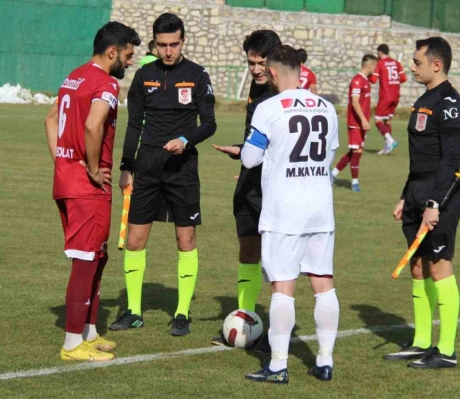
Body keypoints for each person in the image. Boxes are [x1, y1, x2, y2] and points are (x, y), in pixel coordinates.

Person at [109, 13, 217, 336]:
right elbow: (134, 126)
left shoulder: (197, 75)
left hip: (182, 169)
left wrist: (186, 140)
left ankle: (182, 312)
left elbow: (209, 123)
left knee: (186, 240)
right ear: (154, 43)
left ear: (182, 42)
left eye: (174, 44)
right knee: (135, 239)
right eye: (162, 45)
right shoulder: (143, 75)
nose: (168, 51)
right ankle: (134, 311)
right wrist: (126, 166)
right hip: (148, 166)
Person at [241, 45, 340, 384]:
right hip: (320, 205)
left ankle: (278, 365)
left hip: (285, 209)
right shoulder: (327, 107)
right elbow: (328, 155)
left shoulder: (267, 108)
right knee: (323, 283)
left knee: (283, 286)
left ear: (271, 73)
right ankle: (325, 361)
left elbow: (250, 159)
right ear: (300, 70)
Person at [44, 21, 141, 361]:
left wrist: (63, 160)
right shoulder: (106, 83)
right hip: (87, 187)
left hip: (67, 180)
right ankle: (72, 344)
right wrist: (89, 166)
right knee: (86, 260)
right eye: (128, 56)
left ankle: (89, 331)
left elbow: (51, 118)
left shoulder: (74, 75)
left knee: (98, 254)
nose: (130, 62)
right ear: (112, 52)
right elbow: (92, 124)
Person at [386, 37, 460, 369]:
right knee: (418, 268)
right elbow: (419, 158)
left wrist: (434, 202)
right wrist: (407, 195)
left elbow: (450, 159)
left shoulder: (450, 103)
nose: (411, 66)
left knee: (439, 266)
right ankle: (422, 341)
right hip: (418, 192)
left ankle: (446, 350)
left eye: (417, 62)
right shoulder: (425, 98)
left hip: (442, 194)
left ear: (437, 64)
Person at [211, 30, 281, 349]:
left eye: (261, 63)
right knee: (248, 250)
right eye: (251, 62)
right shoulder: (256, 85)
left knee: (277, 260)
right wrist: (242, 150)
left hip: (275, 187)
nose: (255, 69)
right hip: (249, 181)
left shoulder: (285, 92)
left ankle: (277, 334)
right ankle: (247, 318)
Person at [330, 54, 377, 192]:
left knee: (354, 152)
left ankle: (332, 175)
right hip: (355, 123)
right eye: (375, 66)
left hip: (362, 122)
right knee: (357, 152)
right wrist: (363, 120)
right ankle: (354, 182)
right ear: (369, 66)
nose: (375, 69)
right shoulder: (357, 81)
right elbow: (355, 102)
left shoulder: (366, 81)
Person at [370, 44, 406, 155]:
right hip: (396, 96)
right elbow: (404, 79)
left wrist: (368, 75)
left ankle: (391, 141)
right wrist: (393, 83)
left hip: (386, 96)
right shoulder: (397, 63)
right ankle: (387, 147)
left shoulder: (380, 64)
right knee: (387, 121)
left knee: (378, 120)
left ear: (380, 52)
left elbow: (374, 80)